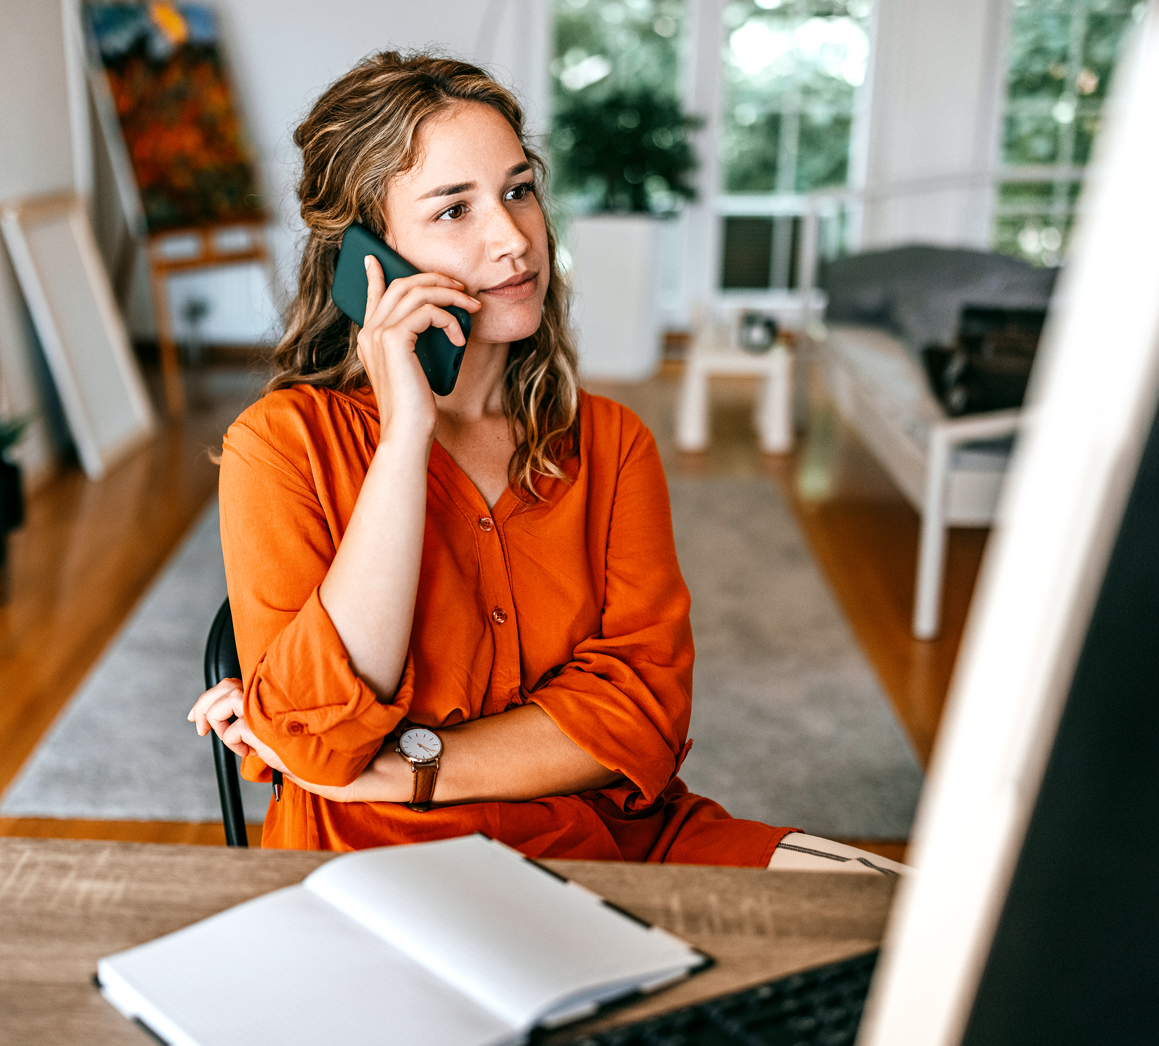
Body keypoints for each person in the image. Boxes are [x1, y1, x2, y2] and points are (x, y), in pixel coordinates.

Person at [189, 51, 904, 875]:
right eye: (454, 211)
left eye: (518, 190)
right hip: (382, 858)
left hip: (614, 842)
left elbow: (643, 715)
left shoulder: (612, 443)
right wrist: (405, 436)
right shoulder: (283, 445)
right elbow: (317, 738)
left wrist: (405, 765)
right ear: (368, 259)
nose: (513, 238)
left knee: (905, 917)